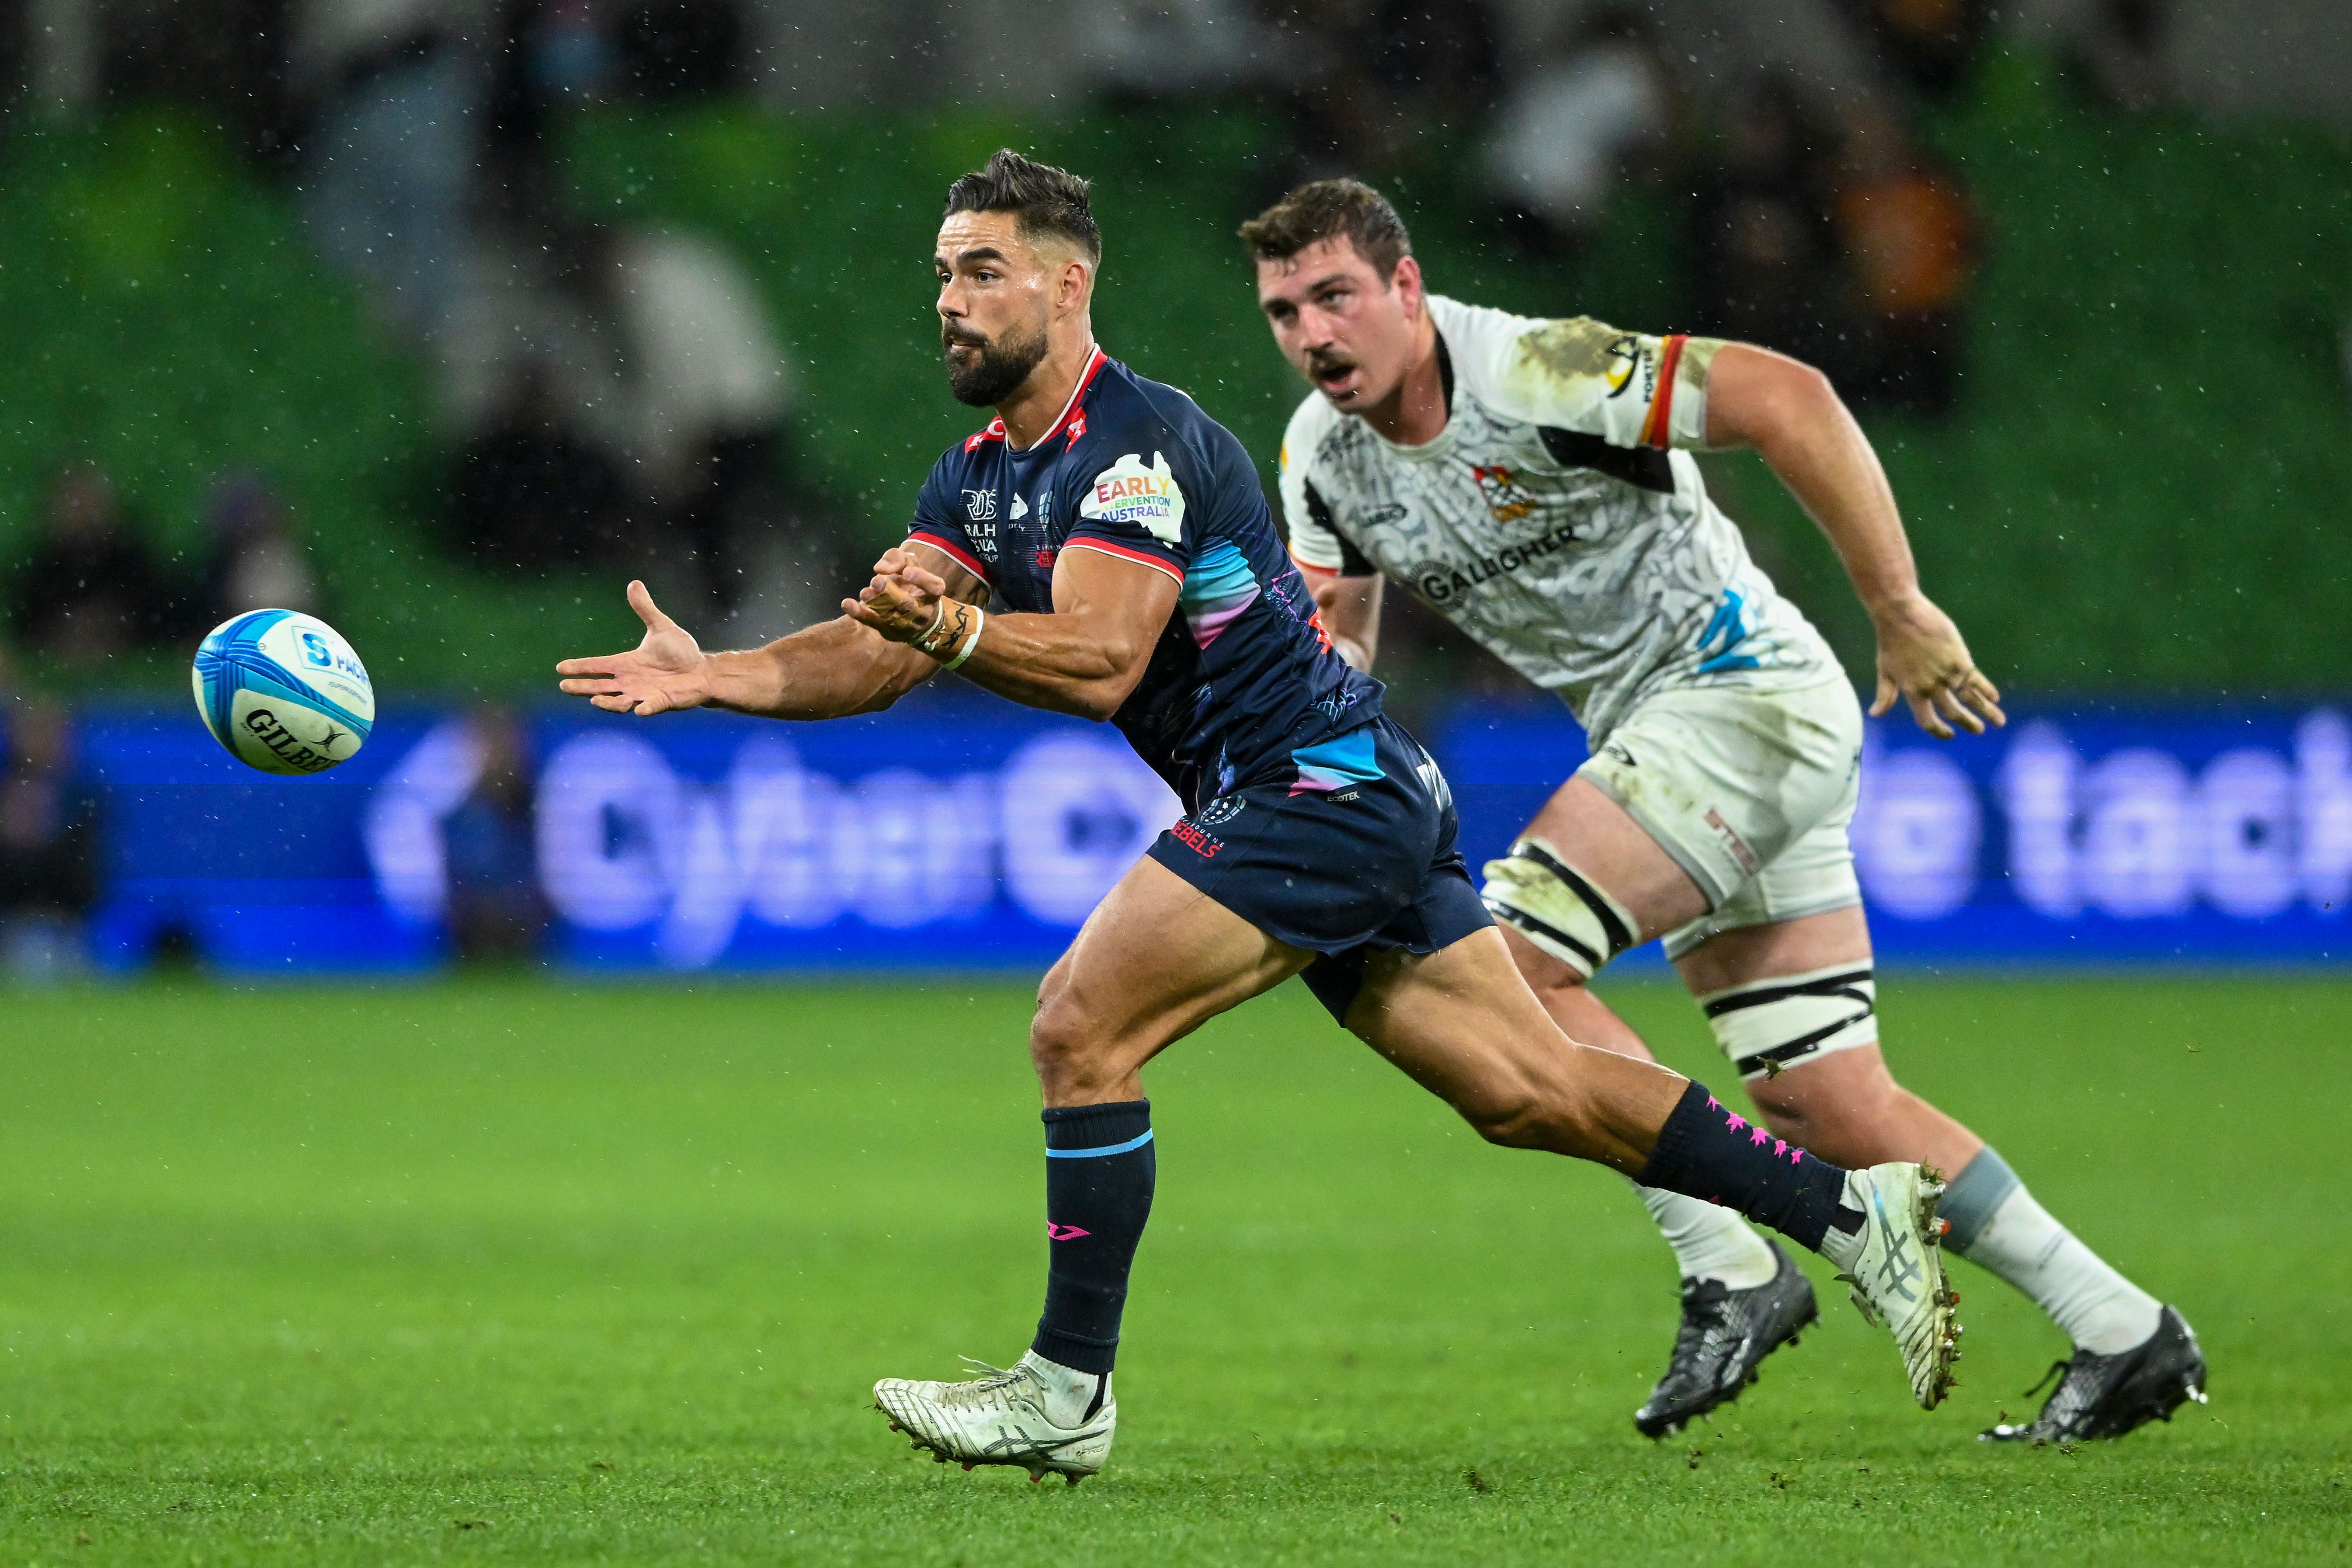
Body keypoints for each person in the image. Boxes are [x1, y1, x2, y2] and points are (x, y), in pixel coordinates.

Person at [557, 150, 1958, 1484]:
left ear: (1064, 286)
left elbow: (1101, 654)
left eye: (982, 270)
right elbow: (880, 650)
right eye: (942, 273)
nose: (950, 299)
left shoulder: (1138, 447)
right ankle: (1852, 1212)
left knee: (1078, 1024)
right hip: (1354, 791)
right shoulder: (977, 478)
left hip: (1318, 787)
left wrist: (963, 631)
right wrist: (719, 675)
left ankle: (1066, 1390)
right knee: (1529, 1091)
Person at [1243, 177, 2203, 1445]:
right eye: (1283, 311)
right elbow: (1341, 650)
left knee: (1511, 959)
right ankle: (2125, 1330)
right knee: (1828, 1102)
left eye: (1337, 297)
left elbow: (1789, 397)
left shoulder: (1544, 366)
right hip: (1677, 737)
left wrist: (1901, 607)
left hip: (1738, 694)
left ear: (1408, 289)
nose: (1314, 333)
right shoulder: (1323, 454)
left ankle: (1732, 1265)